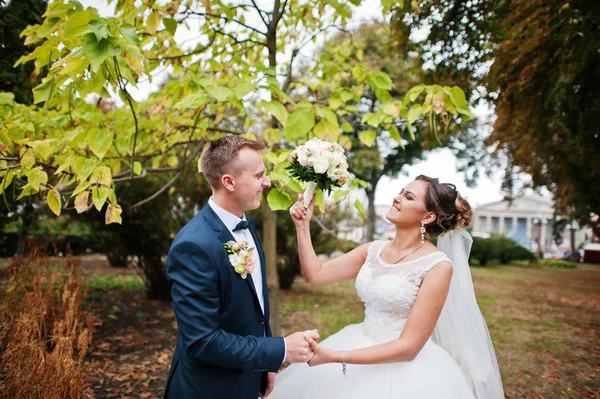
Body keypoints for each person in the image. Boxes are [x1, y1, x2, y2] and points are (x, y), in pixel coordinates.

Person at [269, 175, 504, 399]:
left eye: (409, 197)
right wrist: (302, 226)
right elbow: (316, 274)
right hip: (356, 338)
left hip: (405, 371)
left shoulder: (437, 266)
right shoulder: (372, 250)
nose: (397, 198)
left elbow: (409, 348)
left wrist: (335, 356)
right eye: (400, 192)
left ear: (428, 217)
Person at [163, 135, 319, 399]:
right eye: (259, 176)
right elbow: (203, 342)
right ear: (229, 182)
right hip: (209, 389)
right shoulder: (193, 246)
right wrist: (279, 350)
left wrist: (264, 366)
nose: (267, 183)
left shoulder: (245, 224)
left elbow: (254, 309)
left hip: (246, 378)